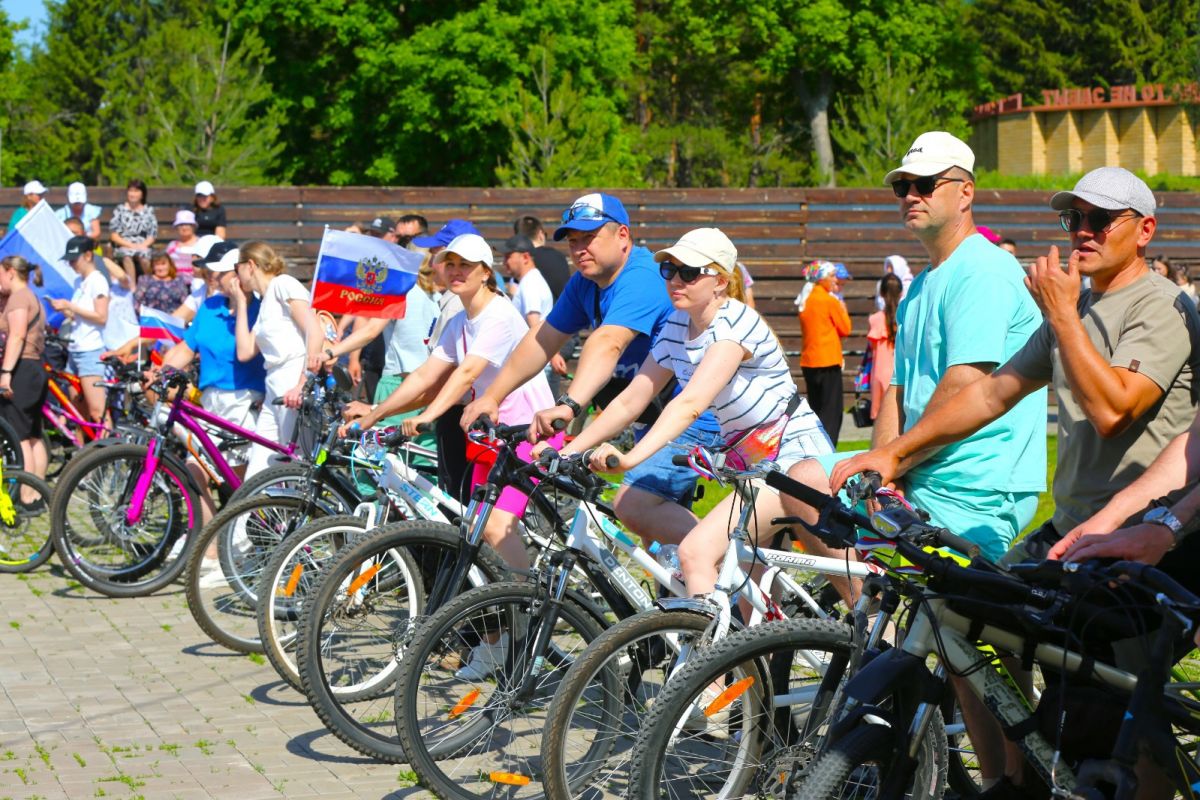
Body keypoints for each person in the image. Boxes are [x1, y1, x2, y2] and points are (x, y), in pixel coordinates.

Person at [832, 166, 1198, 798]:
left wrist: (1062, 319)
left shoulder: (1159, 307)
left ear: (1144, 231)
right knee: (968, 609)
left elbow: (1115, 411)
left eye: (1098, 220)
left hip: (1146, 540)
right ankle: (1014, 778)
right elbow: (993, 392)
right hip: (1076, 528)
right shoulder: (1080, 306)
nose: (1081, 231)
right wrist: (893, 454)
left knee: (1126, 723)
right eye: (1072, 219)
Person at [557, 227, 831, 598]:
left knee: (696, 552)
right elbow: (632, 398)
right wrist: (570, 448)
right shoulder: (676, 325)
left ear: (720, 281)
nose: (675, 281)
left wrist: (628, 459)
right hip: (752, 460)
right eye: (669, 270)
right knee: (746, 589)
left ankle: (712, 655)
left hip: (794, 453)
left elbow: (690, 404)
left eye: (689, 272)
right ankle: (753, 652)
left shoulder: (735, 321)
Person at [461, 193, 724, 552]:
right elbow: (542, 340)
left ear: (622, 236)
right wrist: (492, 396)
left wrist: (568, 406)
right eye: (573, 240)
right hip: (650, 413)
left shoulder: (643, 276)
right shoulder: (585, 284)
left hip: (698, 411)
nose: (579, 248)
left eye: (589, 237)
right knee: (657, 543)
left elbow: (608, 342)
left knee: (636, 506)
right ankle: (695, 593)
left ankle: (733, 559)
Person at [346, 233, 559, 563]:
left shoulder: (498, 315)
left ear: (486, 272)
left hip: (531, 430)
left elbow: (466, 373)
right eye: (451, 264)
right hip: (494, 435)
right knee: (473, 526)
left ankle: (529, 605)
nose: (456, 271)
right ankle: (502, 601)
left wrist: (427, 416)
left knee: (494, 526)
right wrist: (375, 415)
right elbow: (424, 375)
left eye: (466, 265)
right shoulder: (460, 320)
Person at [151, 245, 266, 520]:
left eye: (218, 273)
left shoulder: (260, 309)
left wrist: (241, 304)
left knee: (236, 485)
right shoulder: (210, 307)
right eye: (209, 273)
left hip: (244, 401)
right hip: (210, 401)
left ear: (237, 273)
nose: (211, 278)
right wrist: (159, 372)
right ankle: (211, 548)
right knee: (194, 472)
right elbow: (186, 348)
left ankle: (242, 543)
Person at [231, 241, 323, 476]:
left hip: (293, 376)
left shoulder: (283, 284)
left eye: (236, 266)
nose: (234, 274)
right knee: (258, 469)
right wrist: (241, 303)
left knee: (297, 464)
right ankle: (247, 513)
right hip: (275, 384)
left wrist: (303, 383)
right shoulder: (265, 301)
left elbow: (315, 331)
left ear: (249, 265)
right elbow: (244, 351)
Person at [0, 256, 49, 487]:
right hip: (35, 368)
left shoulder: (19, 298)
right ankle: (38, 494)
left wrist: (6, 372)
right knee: (34, 436)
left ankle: (26, 495)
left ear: (10, 272)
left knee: (18, 437)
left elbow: (17, 335)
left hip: (22, 369)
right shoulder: (32, 297)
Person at [52, 237, 111, 425]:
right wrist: (67, 311)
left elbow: (101, 316)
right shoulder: (80, 281)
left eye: (74, 259)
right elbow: (83, 316)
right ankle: (87, 452)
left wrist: (70, 307)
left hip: (90, 350)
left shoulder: (98, 281)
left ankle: (111, 451)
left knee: (97, 411)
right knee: (79, 410)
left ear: (87, 255)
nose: (71, 264)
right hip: (76, 349)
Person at [796, 260, 851, 445]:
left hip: (809, 361)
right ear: (821, 279)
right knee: (832, 411)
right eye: (832, 275)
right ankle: (828, 447)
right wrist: (843, 309)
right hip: (828, 359)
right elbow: (845, 329)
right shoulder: (828, 300)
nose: (835, 279)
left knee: (817, 408)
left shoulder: (806, 299)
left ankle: (815, 446)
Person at [866, 272, 902, 420]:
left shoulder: (875, 319)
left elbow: (872, 347)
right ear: (901, 292)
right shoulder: (905, 316)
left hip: (879, 373)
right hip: (900, 372)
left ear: (881, 293)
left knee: (881, 419)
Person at [110, 179, 157, 275]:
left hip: (143, 244)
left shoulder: (148, 211)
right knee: (127, 255)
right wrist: (131, 245)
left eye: (136, 191)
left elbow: (152, 235)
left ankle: (149, 282)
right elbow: (114, 235)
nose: (133, 194)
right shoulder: (119, 210)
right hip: (124, 244)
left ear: (142, 194)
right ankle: (131, 286)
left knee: (144, 255)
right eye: (131, 191)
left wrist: (142, 246)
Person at [167, 210, 201, 281]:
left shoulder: (201, 243)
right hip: (175, 282)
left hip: (197, 281)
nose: (184, 228)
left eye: (187, 224)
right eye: (181, 225)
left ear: (193, 226)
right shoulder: (172, 245)